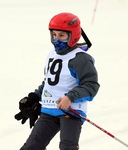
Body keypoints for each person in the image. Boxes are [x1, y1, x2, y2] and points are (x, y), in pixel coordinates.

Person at [15, 12, 100, 150]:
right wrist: (35, 96)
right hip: (49, 110)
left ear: (73, 36)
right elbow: (50, 82)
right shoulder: (52, 54)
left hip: (71, 112)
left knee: (67, 147)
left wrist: (70, 97)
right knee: (31, 146)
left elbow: (91, 86)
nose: (56, 39)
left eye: (62, 35)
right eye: (54, 35)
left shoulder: (80, 59)